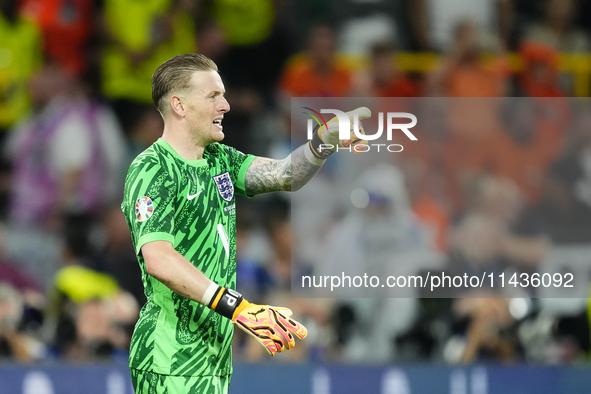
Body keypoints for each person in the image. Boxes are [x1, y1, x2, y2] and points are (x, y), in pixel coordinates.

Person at [121, 53, 369, 393]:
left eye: (223, 95)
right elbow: (159, 259)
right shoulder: (153, 169)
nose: (225, 105)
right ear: (179, 105)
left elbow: (285, 175)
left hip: (212, 358)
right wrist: (238, 308)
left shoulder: (219, 159)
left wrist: (323, 141)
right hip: (170, 359)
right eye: (213, 96)